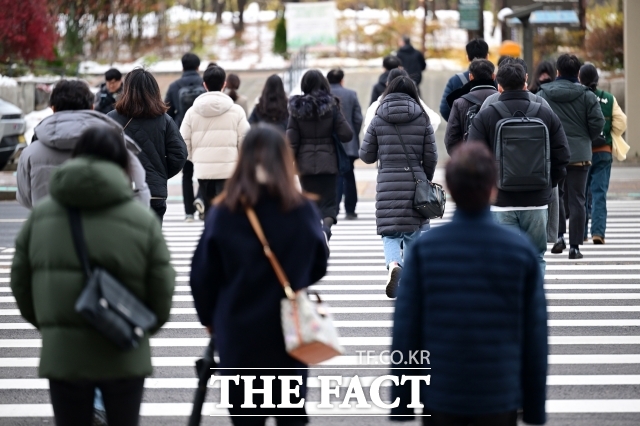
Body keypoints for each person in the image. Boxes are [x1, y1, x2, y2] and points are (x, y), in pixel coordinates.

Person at [11, 125, 175, 426]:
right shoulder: (141, 219)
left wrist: (52, 324)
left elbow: (20, 284)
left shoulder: (42, 217)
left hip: (64, 356)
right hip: (124, 351)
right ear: (123, 162)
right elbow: (162, 290)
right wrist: (140, 326)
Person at [390, 142, 547, 426]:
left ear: (449, 189)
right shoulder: (519, 251)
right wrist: (534, 408)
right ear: (493, 188)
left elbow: (406, 330)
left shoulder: (425, 252)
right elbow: (534, 336)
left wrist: (402, 402)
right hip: (499, 394)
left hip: (441, 394)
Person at [190, 125, 329, 426]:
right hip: (289, 333)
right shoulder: (301, 208)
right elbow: (319, 262)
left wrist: (210, 320)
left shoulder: (224, 211)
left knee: (245, 419)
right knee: (290, 417)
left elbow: (202, 275)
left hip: (238, 332)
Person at [468, 62, 570, 273]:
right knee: (536, 257)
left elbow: (472, 158)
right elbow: (563, 155)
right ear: (525, 83)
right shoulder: (544, 112)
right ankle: (532, 303)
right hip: (537, 201)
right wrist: (548, 184)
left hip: (501, 201)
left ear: (499, 86)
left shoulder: (486, 115)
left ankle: (509, 303)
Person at [17, 79, 149, 209]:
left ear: (53, 108)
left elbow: (25, 199)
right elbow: (134, 190)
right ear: (92, 107)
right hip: (101, 227)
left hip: (49, 226)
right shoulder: (113, 145)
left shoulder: (30, 152)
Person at [360, 76, 437, 298]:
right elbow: (431, 156)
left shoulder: (378, 118)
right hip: (415, 183)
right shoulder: (422, 117)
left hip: (387, 184)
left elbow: (366, 155)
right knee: (414, 234)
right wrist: (425, 180)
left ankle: (394, 264)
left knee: (390, 233)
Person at [538, 54, 605, 259]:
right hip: (580, 154)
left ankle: (559, 237)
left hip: (553, 153)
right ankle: (575, 247)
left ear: (557, 72)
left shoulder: (543, 94)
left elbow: (538, 120)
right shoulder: (587, 95)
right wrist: (585, 138)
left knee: (555, 196)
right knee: (578, 200)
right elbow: (598, 123)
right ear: (578, 73)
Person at [108, 68, 188, 224]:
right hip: (154, 193)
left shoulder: (111, 119)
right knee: (151, 244)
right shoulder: (164, 120)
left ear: (127, 89)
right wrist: (160, 173)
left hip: (120, 190)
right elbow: (179, 154)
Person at [287, 70, 353, 236]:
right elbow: (347, 134)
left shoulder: (296, 109)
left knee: (310, 203)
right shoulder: (332, 106)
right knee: (329, 205)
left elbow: (292, 141)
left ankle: (316, 233)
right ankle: (326, 229)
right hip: (329, 162)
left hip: (305, 164)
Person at [180, 65, 250, 216]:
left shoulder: (192, 112)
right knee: (228, 213)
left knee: (210, 213)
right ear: (224, 84)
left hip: (203, 171)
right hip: (229, 170)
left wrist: (196, 158)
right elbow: (246, 142)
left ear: (204, 84)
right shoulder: (237, 111)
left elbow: (183, 143)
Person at [579, 63, 627, 245]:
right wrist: (611, 133)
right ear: (597, 80)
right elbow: (622, 121)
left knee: (581, 195)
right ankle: (598, 232)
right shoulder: (608, 98)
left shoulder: (579, 98)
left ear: (580, 78)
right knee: (599, 193)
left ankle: (581, 233)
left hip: (583, 153)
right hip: (603, 152)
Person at [165, 53, 206, 222]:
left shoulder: (174, 86)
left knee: (186, 173)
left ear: (182, 67)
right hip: (204, 134)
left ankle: (189, 212)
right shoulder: (205, 84)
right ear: (198, 67)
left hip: (183, 134)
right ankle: (201, 198)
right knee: (205, 172)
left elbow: (167, 112)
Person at [327, 68, 363, 220]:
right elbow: (358, 118)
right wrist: (353, 134)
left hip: (330, 144)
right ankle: (350, 209)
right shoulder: (351, 94)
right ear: (342, 80)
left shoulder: (324, 96)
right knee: (349, 175)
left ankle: (333, 209)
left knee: (334, 177)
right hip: (349, 143)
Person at [444, 58, 497, 155]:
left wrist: (463, 161)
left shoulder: (459, 102)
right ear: (493, 76)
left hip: (471, 163)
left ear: (471, 77)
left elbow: (451, 139)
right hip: (498, 164)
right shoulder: (501, 99)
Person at [364, 68, 441, 134]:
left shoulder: (377, 105)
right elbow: (435, 121)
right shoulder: (417, 103)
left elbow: (367, 132)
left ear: (387, 84)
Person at [439, 38, 489, 121]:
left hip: (464, 131)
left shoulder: (456, 80)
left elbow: (444, 109)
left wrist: (459, 125)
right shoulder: (496, 80)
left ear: (467, 58)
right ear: (487, 56)